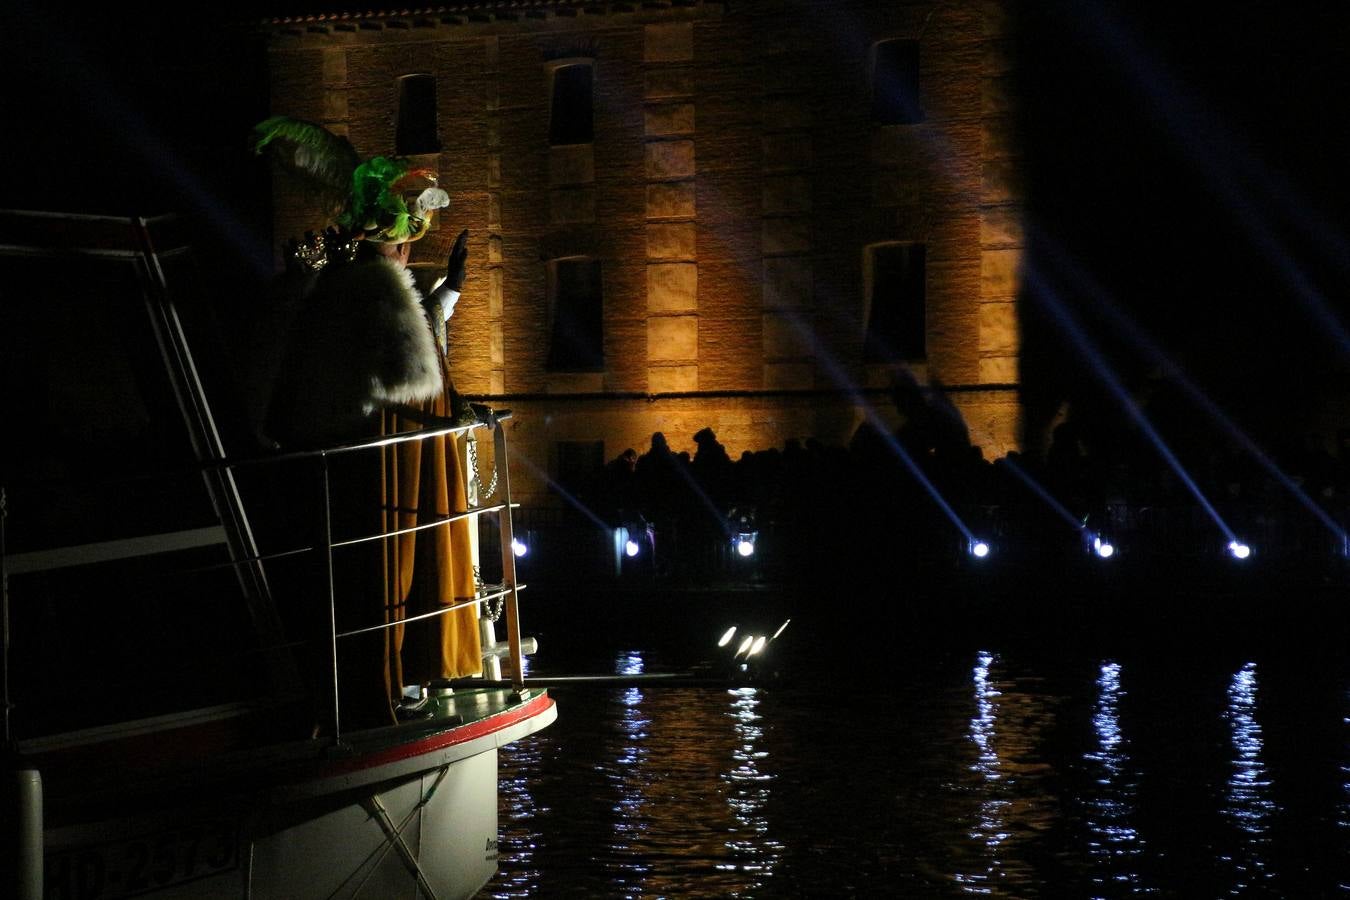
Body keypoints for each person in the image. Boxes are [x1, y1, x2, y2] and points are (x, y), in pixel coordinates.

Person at [254, 116, 483, 729]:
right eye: (407, 240)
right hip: (384, 471)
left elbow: (414, 350)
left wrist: (447, 294)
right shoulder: (373, 292)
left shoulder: (358, 286)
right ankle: (387, 680)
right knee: (386, 571)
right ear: (396, 243)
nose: (411, 250)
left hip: (384, 462)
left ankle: (397, 672)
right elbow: (410, 380)